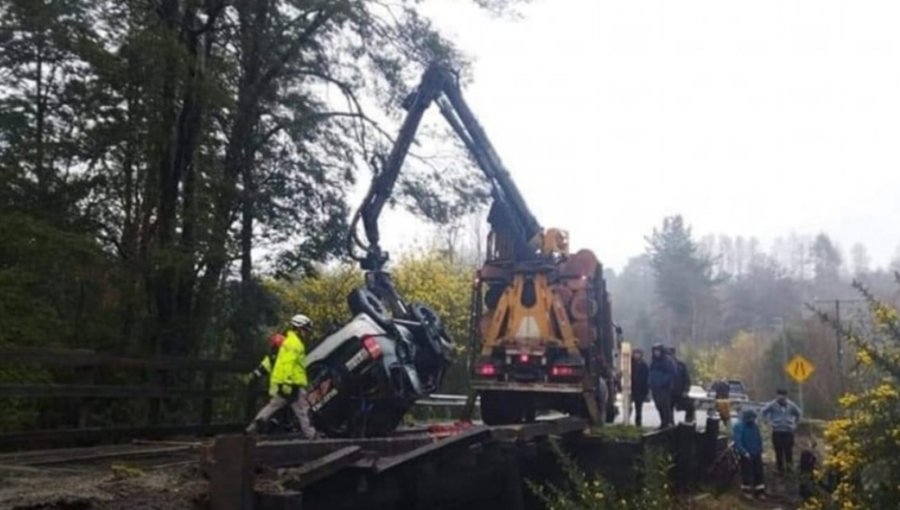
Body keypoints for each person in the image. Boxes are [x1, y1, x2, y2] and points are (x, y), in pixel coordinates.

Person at [246, 314, 318, 438]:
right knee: (303, 410)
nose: (307, 333)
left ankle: (254, 427)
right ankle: (312, 435)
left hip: (286, 383)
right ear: (298, 328)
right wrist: (288, 383)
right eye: (305, 329)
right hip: (292, 384)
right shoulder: (294, 343)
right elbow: (287, 364)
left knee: (274, 406)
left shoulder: (288, 341)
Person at [760, 388, 802, 475]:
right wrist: (767, 422)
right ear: (777, 395)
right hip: (777, 431)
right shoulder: (772, 404)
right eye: (779, 395)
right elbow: (763, 412)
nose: (781, 397)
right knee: (778, 451)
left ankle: (789, 468)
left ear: (786, 396)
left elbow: (799, 413)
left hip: (788, 431)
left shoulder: (791, 405)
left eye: (783, 395)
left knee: (788, 451)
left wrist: (795, 424)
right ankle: (780, 469)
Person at [733, 409, 766, 500]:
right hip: (746, 454)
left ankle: (759, 492)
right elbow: (738, 441)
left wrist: (761, 450)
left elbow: (758, 438)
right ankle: (746, 491)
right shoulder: (739, 426)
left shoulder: (755, 426)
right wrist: (744, 452)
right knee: (747, 473)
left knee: (759, 472)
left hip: (756, 453)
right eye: (752, 418)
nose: (753, 420)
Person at [648, 343, 675, 429]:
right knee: (658, 406)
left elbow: (672, 373)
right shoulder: (653, 361)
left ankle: (666, 423)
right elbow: (651, 373)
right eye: (655, 351)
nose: (656, 353)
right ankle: (663, 422)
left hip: (664, 388)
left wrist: (663, 382)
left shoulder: (667, 361)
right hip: (655, 388)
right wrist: (650, 382)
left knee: (665, 406)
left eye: (658, 351)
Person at [667, 347, 695, 424]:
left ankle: (688, 423)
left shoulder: (681, 365)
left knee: (690, 407)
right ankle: (670, 425)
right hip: (668, 392)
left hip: (680, 392)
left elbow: (687, 379)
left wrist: (686, 390)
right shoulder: (664, 366)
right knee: (668, 411)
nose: (670, 356)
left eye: (671, 354)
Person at [630, 348, 649, 427]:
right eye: (635, 353)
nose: (636, 355)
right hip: (631, 388)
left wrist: (646, 390)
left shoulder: (644, 365)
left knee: (638, 407)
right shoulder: (629, 364)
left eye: (638, 353)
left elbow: (646, 378)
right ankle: (627, 421)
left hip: (640, 389)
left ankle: (638, 422)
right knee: (628, 406)